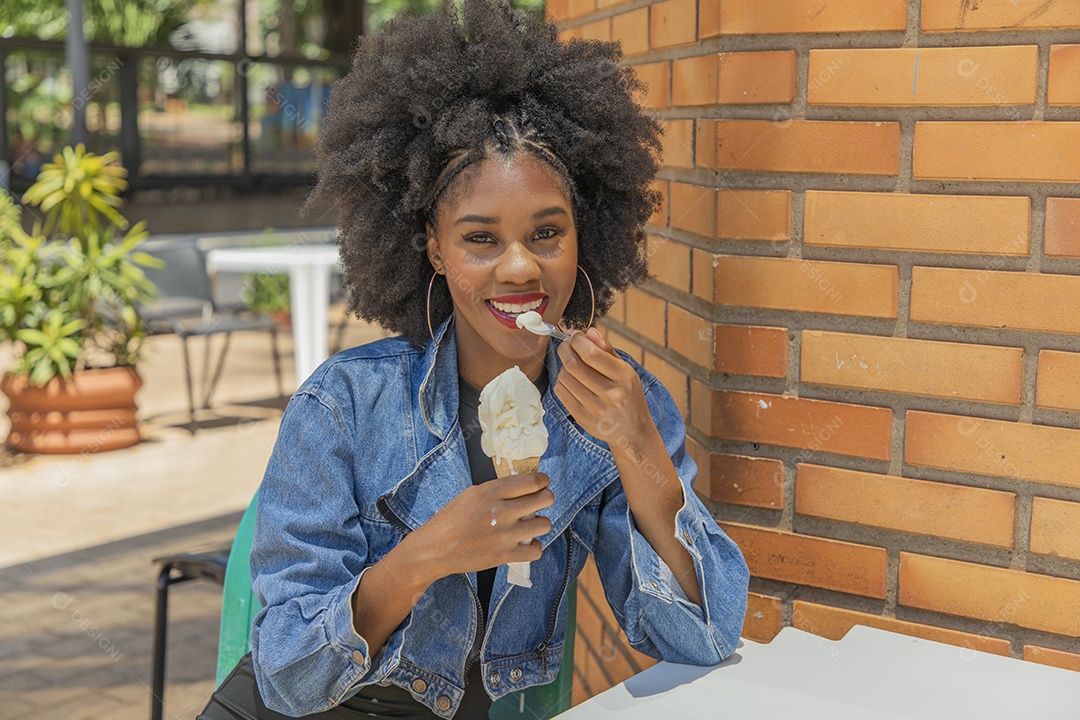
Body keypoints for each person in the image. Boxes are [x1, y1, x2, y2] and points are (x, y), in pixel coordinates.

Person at [199, 0, 748, 718]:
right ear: (433, 249)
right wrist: (427, 554)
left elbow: (704, 635)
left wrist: (638, 443)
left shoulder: (615, 407)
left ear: (585, 236)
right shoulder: (343, 405)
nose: (520, 268)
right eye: (480, 239)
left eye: (547, 232)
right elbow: (287, 676)